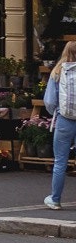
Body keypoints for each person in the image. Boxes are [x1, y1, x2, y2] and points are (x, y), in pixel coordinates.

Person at [42, 40, 76, 210]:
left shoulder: (58, 71)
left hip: (65, 120)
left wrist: (56, 111)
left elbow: (49, 101)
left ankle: (55, 199)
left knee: (60, 161)